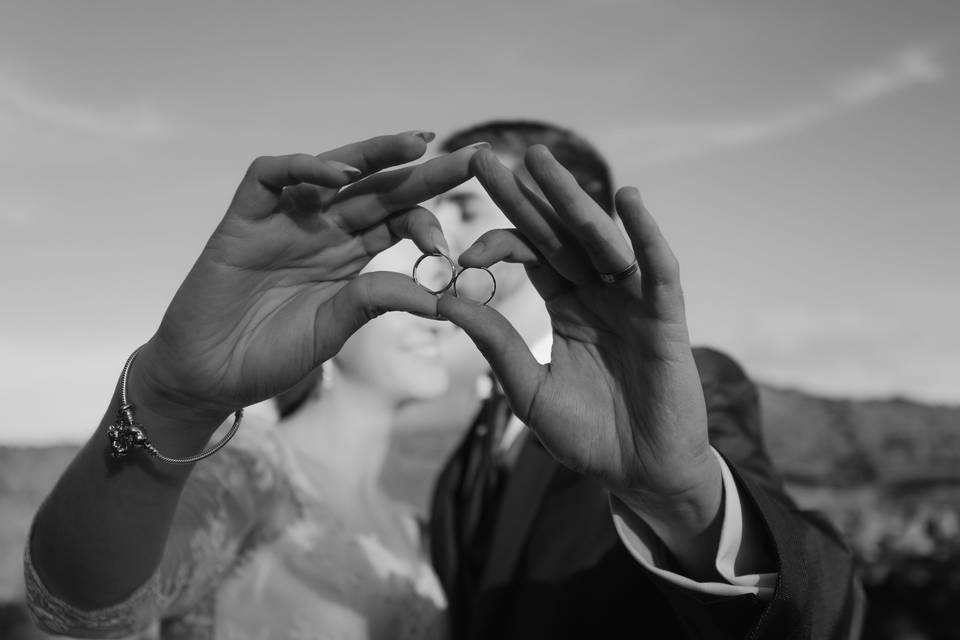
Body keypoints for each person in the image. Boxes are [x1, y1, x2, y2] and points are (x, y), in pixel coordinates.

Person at [23, 131, 482, 639]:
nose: (434, 314)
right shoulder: (252, 467)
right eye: (412, 283)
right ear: (315, 298)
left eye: (444, 278)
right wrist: (172, 402)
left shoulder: (415, 523)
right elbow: (81, 606)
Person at [426, 120, 865, 639]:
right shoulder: (473, 438)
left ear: (558, 217)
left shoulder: (687, 387)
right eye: (433, 204)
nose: (432, 224)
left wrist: (684, 504)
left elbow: (824, 607)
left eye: (464, 206)